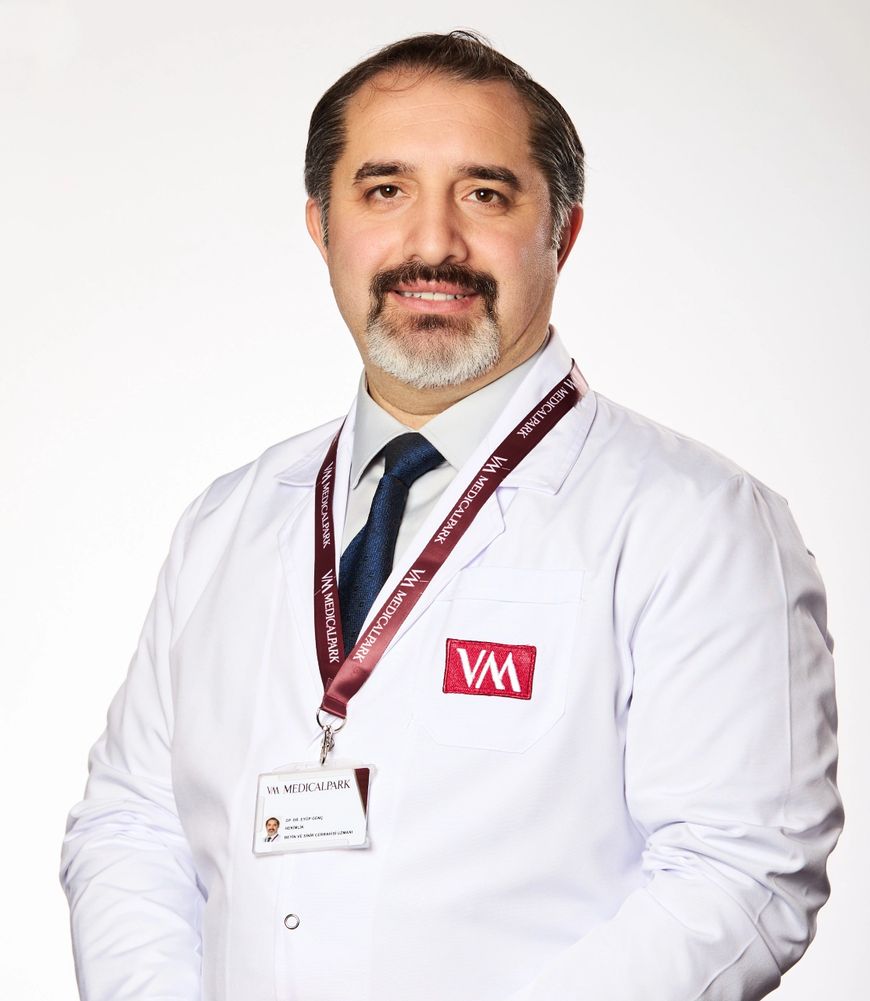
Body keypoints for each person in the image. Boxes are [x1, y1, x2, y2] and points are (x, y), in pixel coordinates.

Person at [60, 30, 842, 1001]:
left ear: (564, 230)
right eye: (384, 190)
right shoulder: (229, 520)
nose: (433, 243)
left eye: (485, 193)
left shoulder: (701, 522)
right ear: (322, 225)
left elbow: (743, 871)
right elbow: (132, 822)